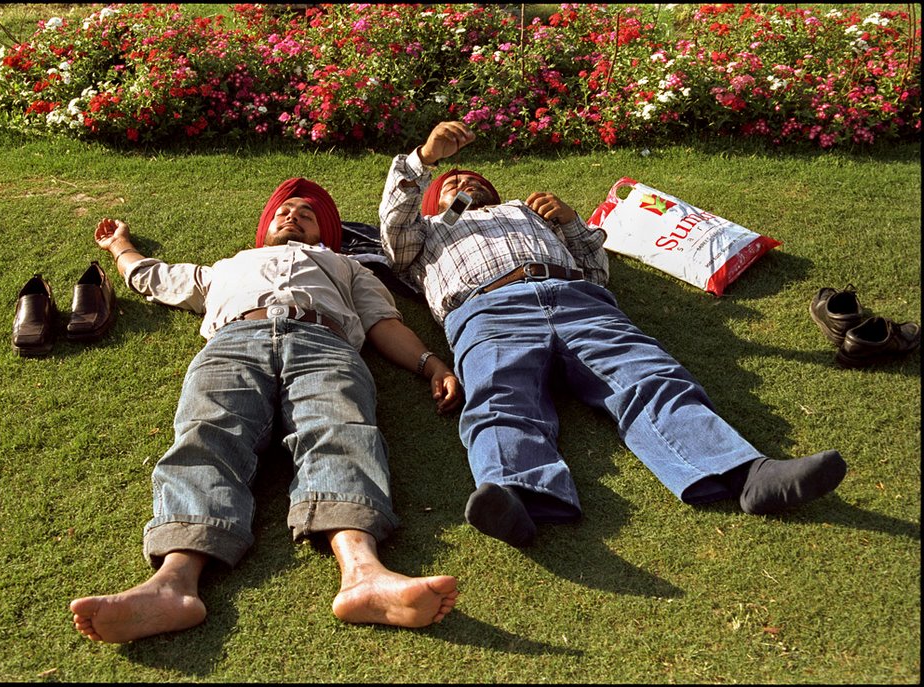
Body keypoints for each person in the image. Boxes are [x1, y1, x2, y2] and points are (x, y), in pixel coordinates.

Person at [378, 121, 847, 548]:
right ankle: (517, 494)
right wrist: (426, 158)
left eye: (474, 180)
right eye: (452, 183)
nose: (464, 183)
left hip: (576, 298)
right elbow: (395, 233)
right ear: (432, 198)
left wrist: (569, 221)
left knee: (649, 375)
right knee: (500, 396)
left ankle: (744, 473)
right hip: (487, 310)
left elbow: (597, 271)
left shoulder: (526, 211)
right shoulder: (426, 232)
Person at [70, 178, 462, 643]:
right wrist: (119, 245)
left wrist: (429, 364)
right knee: (206, 436)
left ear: (325, 233)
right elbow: (153, 276)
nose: (293, 215)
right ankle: (172, 585)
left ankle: (364, 574)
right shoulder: (227, 267)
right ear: (266, 225)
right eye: (284, 211)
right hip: (232, 344)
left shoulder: (348, 267)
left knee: (341, 432)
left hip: (325, 345)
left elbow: (383, 323)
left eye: (307, 214)